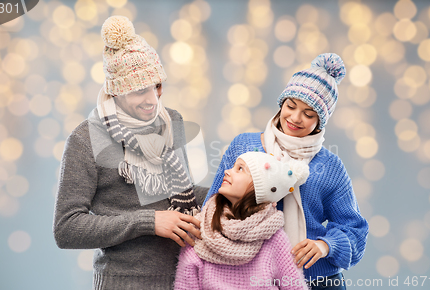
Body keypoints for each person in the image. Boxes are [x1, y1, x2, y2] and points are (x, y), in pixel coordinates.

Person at [53, 16, 208, 290]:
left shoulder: (171, 121)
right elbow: (67, 229)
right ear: (116, 92)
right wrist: (148, 222)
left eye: (157, 85)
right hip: (122, 283)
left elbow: (180, 193)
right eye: (139, 91)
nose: (152, 100)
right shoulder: (85, 139)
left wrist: (234, 188)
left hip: (185, 278)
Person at [204, 53, 369, 289]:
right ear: (282, 103)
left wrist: (325, 245)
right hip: (251, 277)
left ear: (321, 122)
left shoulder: (330, 167)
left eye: (309, 114)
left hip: (317, 280)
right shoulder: (244, 145)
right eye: (291, 106)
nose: (295, 117)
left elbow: (355, 230)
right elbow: (213, 205)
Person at [174, 152, 310, 290]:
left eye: (240, 169)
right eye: (233, 167)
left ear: (259, 186)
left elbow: (295, 286)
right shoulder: (201, 228)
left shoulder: (274, 239)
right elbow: (185, 285)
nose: (227, 171)